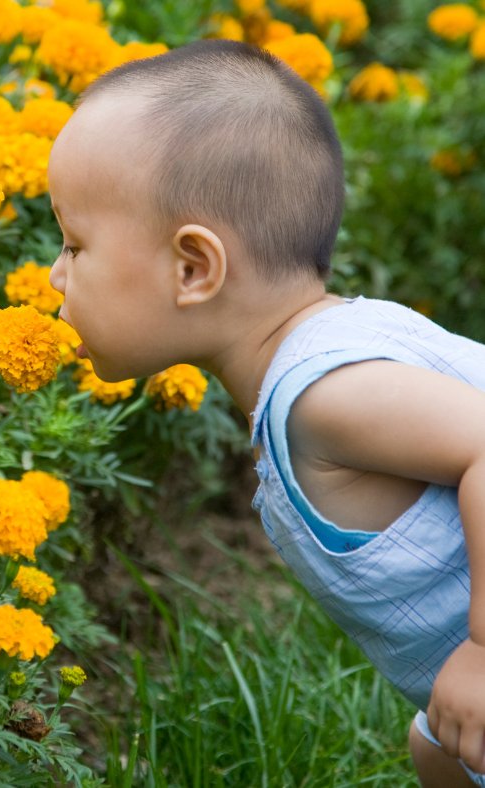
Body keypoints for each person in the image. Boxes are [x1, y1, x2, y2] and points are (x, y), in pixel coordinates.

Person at [46, 38, 485, 787]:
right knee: (437, 750)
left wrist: (481, 653)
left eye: (74, 244)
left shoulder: (324, 392)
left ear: (193, 268)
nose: (56, 272)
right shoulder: (333, 351)